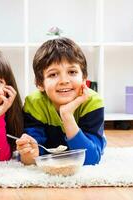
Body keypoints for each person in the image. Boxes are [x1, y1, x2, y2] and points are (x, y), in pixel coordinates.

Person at [16, 37, 106, 165]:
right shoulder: (34, 103)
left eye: (72, 72)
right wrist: (29, 153)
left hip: (86, 143)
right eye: (53, 74)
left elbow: (90, 158)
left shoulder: (93, 102)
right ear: (40, 84)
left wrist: (67, 115)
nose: (64, 80)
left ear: (84, 78)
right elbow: (34, 153)